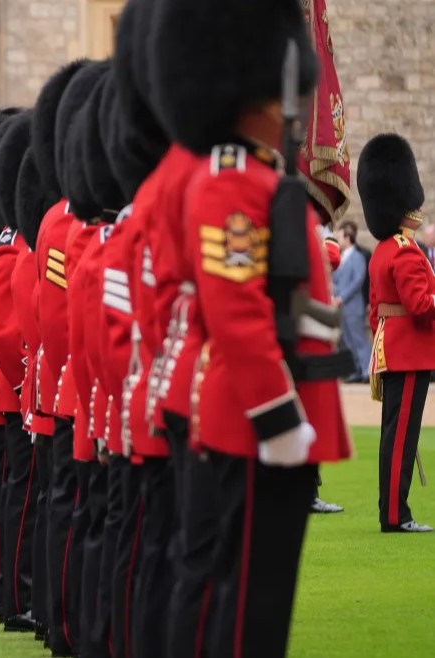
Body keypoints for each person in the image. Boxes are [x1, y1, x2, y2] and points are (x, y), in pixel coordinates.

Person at [151, 0, 353, 655]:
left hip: (274, 405)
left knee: (261, 600)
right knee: (248, 609)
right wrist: (278, 417)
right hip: (254, 419)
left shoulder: (260, 175)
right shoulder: (233, 180)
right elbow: (235, 311)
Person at [359, 133, 435, 534]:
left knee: (397, 439)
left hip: (394, 350)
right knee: (400, 440)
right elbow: (421, 306)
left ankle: (394, 511)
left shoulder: (384, 250)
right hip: (410, 353)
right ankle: (395, 515)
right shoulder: (406, 250)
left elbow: (375, 312)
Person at [335, 221, 371, 383]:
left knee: (359, 339)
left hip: (353, 305)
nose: (338, 239)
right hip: (341, 306)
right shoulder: (341, 257)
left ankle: (367, 371)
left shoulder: (357, 257)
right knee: (348, 341)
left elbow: (357, 281)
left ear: (347, 237)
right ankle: (356, 370)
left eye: (340, 236)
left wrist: (341, 297)